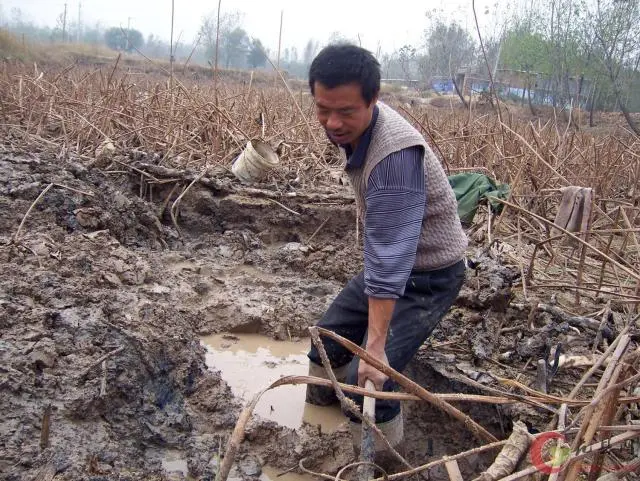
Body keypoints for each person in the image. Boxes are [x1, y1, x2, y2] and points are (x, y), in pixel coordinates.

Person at [304, 44, 469, 469]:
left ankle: (379, 462)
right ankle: (315, 424)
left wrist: (374, 346)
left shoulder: (393, 159)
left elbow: (390, 259)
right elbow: (386, 256)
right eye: (323, 109)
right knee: (326, 342)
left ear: (373, 100)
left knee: (373, 379)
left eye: (345, 112)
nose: (333, 123)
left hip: (430, 274)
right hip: (396, 262)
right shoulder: (356, 126)